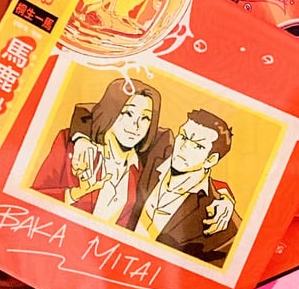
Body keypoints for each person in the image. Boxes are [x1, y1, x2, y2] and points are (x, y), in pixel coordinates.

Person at [31, 76, 170, 227]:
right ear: (112, 111)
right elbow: (32, 198)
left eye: (145, 118)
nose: (135, 125)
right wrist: (73, 194)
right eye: (128, 113)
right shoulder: (69, 144)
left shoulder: (140, 170)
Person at [131, 108, 241, 266]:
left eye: (197, 146)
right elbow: (107, 113)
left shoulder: (214, 212)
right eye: (183, 136)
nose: (184, 147)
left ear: (210, 160)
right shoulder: (156, 149)